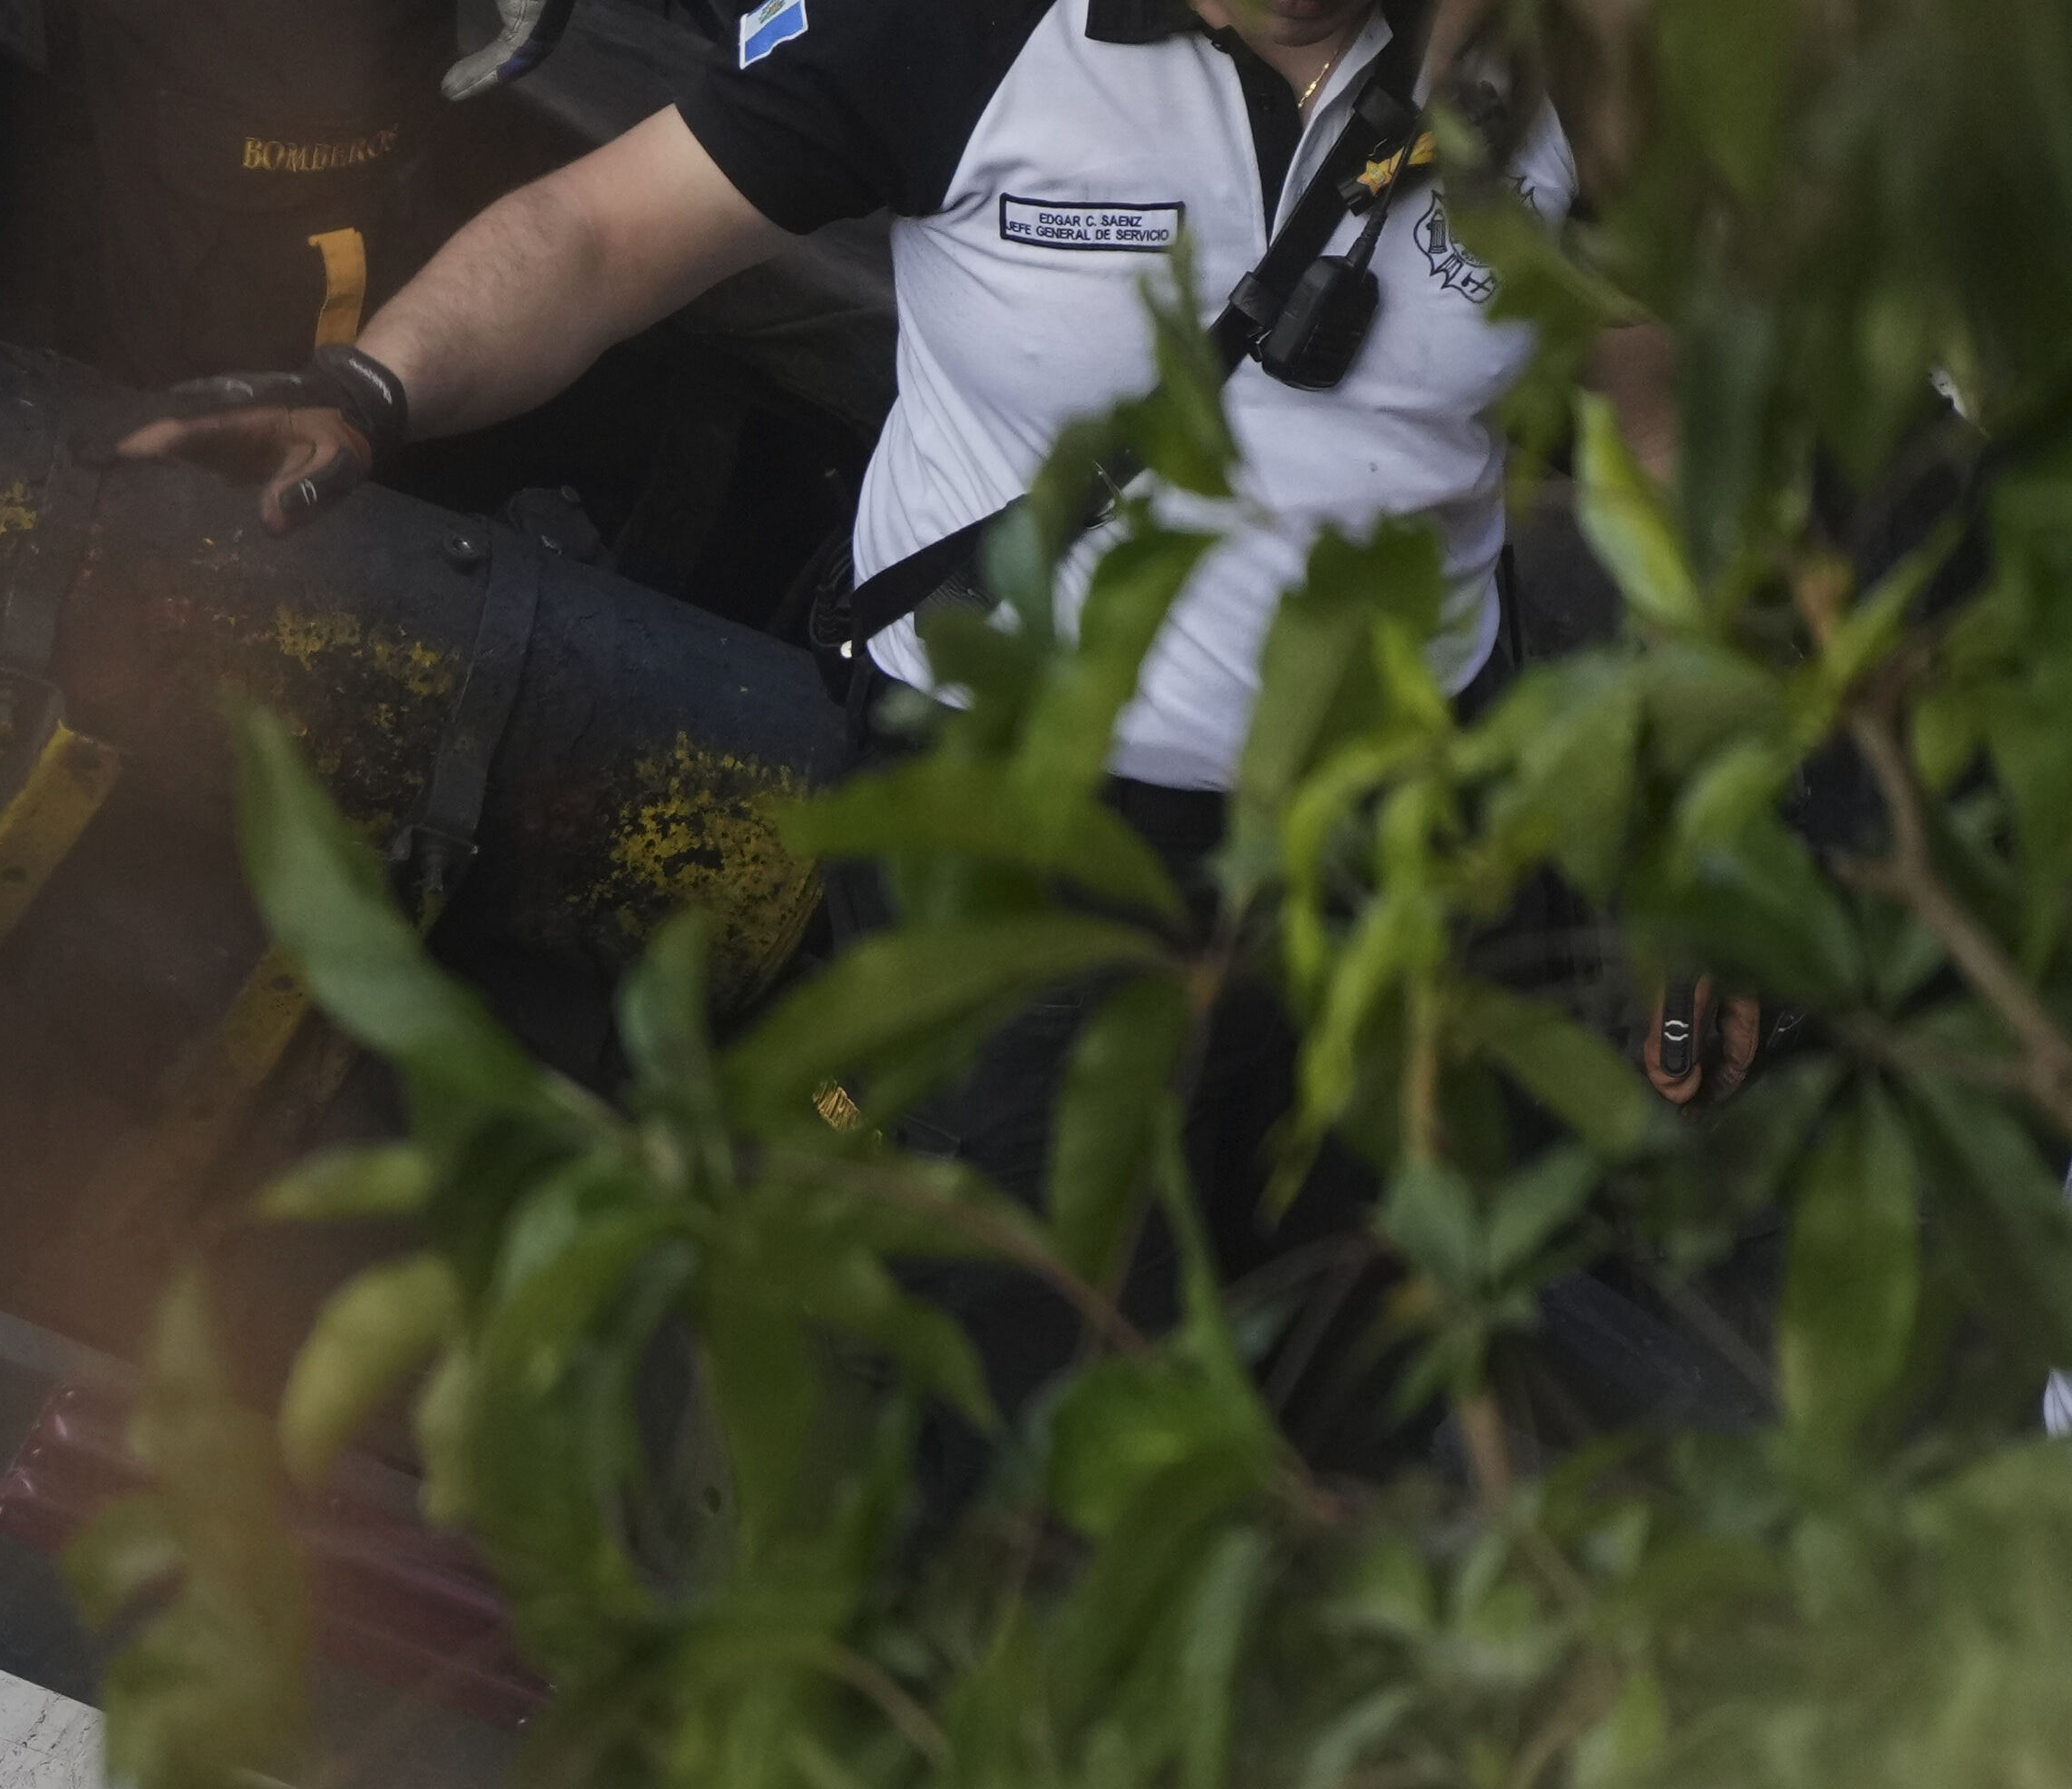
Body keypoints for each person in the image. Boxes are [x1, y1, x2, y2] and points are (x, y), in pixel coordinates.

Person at [109, 0, 1735, 1200]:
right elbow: (598, 235)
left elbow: (1660, 428)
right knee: (1037, 1332)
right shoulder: (959, 25)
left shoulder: (1571, 66)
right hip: (1012, 823)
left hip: (1412, 831)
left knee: (1360, 1270)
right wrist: (370, 391)